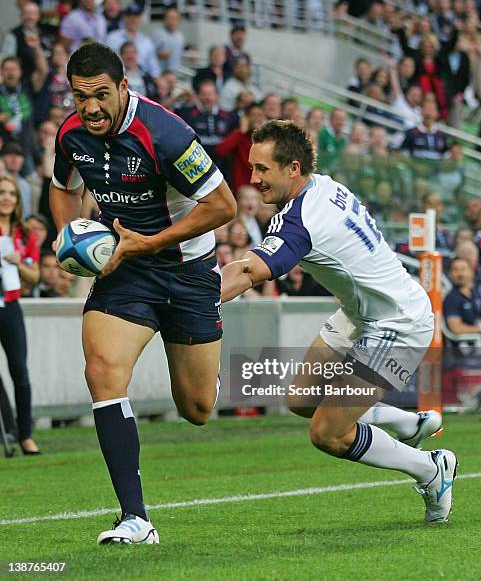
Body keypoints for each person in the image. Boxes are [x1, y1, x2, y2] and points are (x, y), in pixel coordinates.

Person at [221, 120, 457, 525]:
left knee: (327, 432)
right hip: (360, 312)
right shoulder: (323, 184)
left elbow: (249, 272)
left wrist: (191, 298)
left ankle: (431, 469)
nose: (253, 178)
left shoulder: (299, 220)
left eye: (262, 169)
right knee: (300, 399)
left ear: (293, 168)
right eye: (252, 168)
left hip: (395, 322)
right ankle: (408, 422)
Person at [49, 42, 236, 544]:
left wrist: (149, 242)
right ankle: (136, 518)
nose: (90, 107)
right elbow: (63, 187)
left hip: (187, 271)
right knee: (102, 371)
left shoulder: (166, 133)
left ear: (124, 87)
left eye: (101, 95)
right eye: (80, 96)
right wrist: (68, 237)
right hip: (125, 271)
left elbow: (223, 206)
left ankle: (216, 333)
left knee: (196, 409)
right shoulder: (71, 135)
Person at [0, 174, 40, 454]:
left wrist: (17, 262)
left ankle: (25, 434)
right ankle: (8, 430)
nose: (6, 198)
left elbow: (35, 275)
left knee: (20, 372)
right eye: (2, 193)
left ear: (17, 200)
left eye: (11, 194)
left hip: (11, 306)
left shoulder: (24, 234)